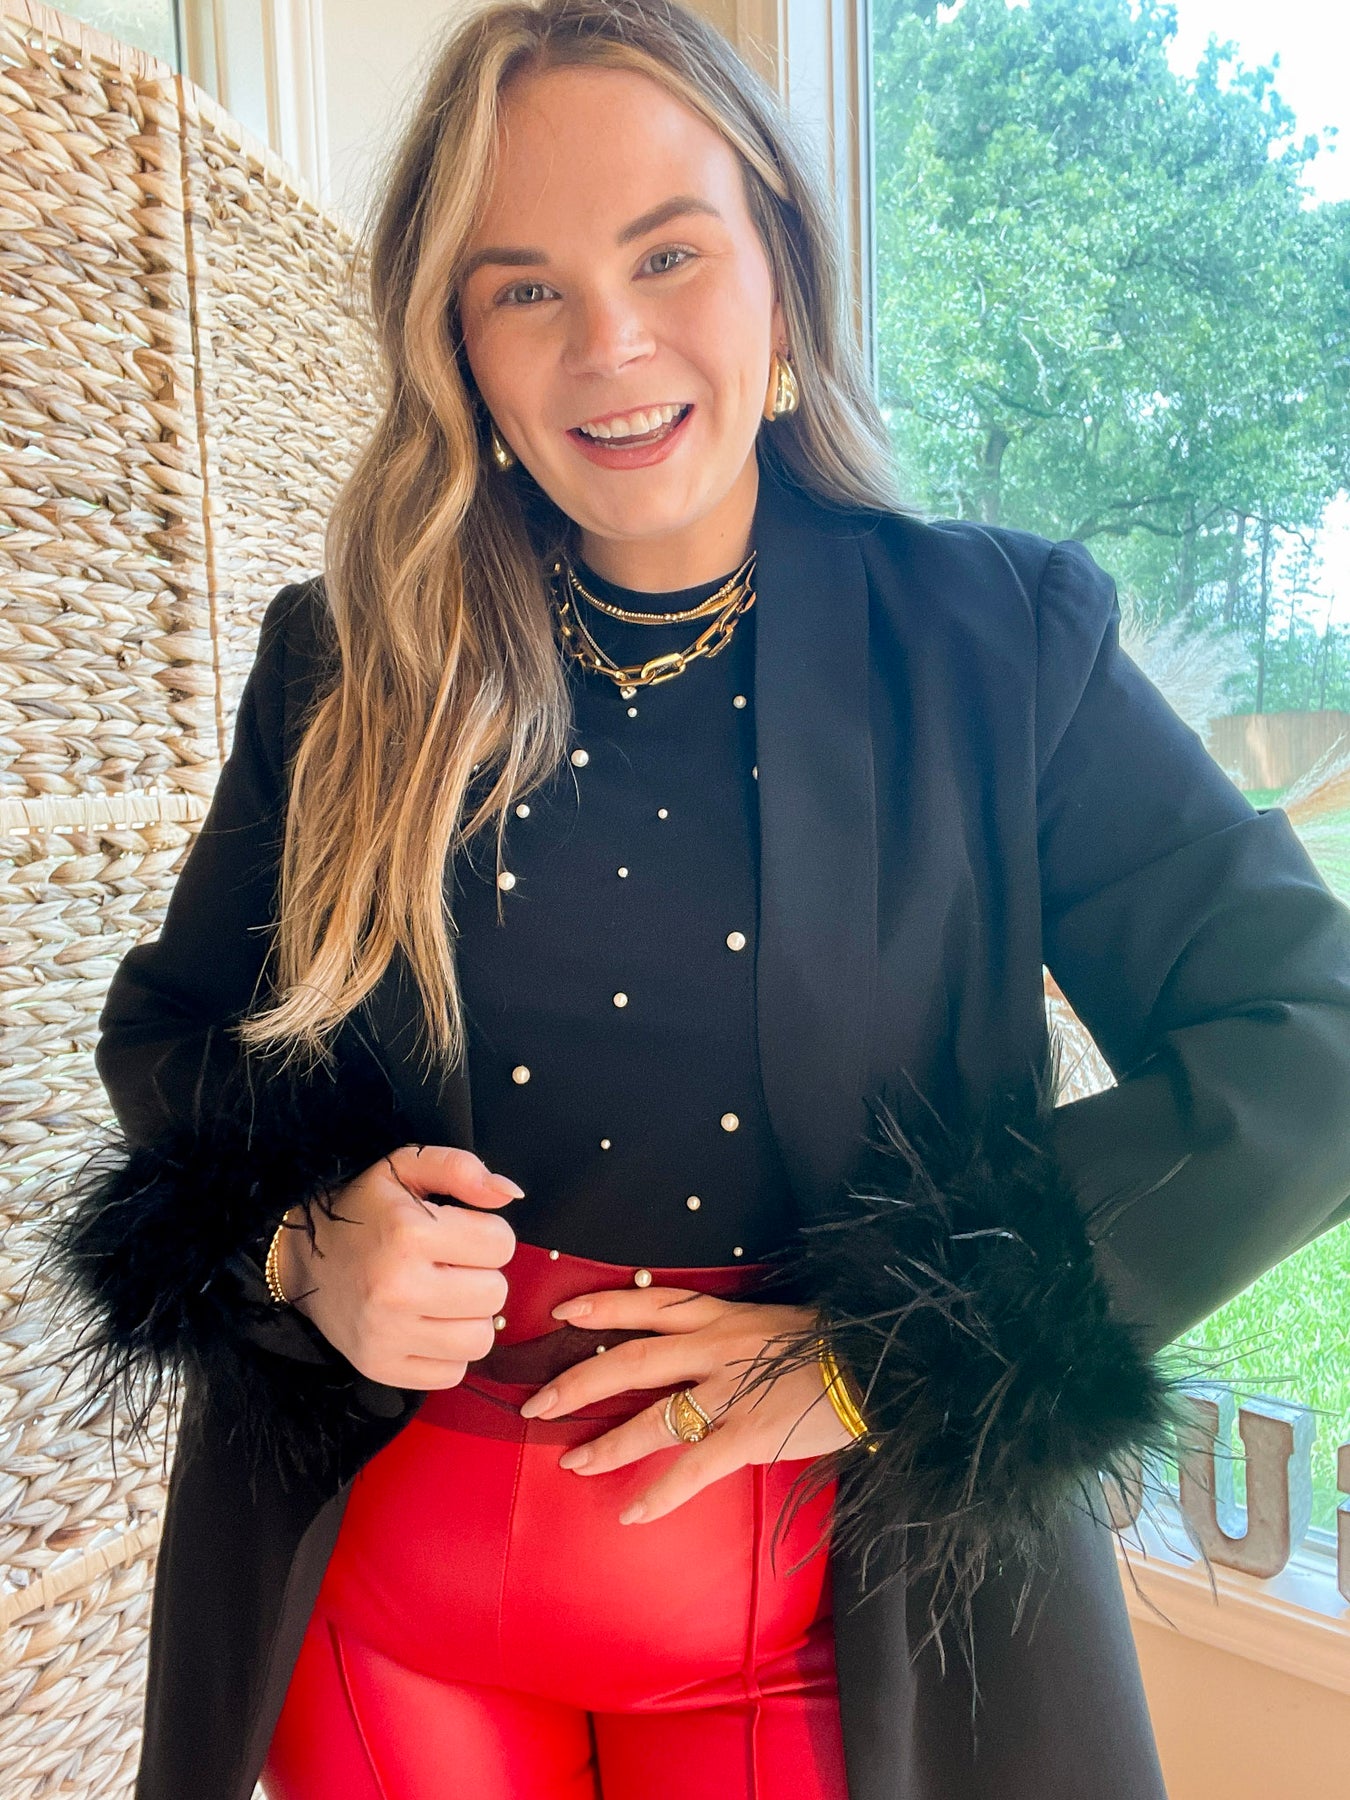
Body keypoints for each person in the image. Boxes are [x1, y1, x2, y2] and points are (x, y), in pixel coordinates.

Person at [44, 1, 1350, 1797]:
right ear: (455, 346)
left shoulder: (997, 644)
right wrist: (298, 1248)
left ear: (781, 274)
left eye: (668, 253)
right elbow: (173, 1040)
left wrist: (893, 1347)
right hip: (385, 1623)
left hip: (832, 1631)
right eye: (523, 287)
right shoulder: (347, 661)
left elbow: (1307, 1041)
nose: (610, 343)